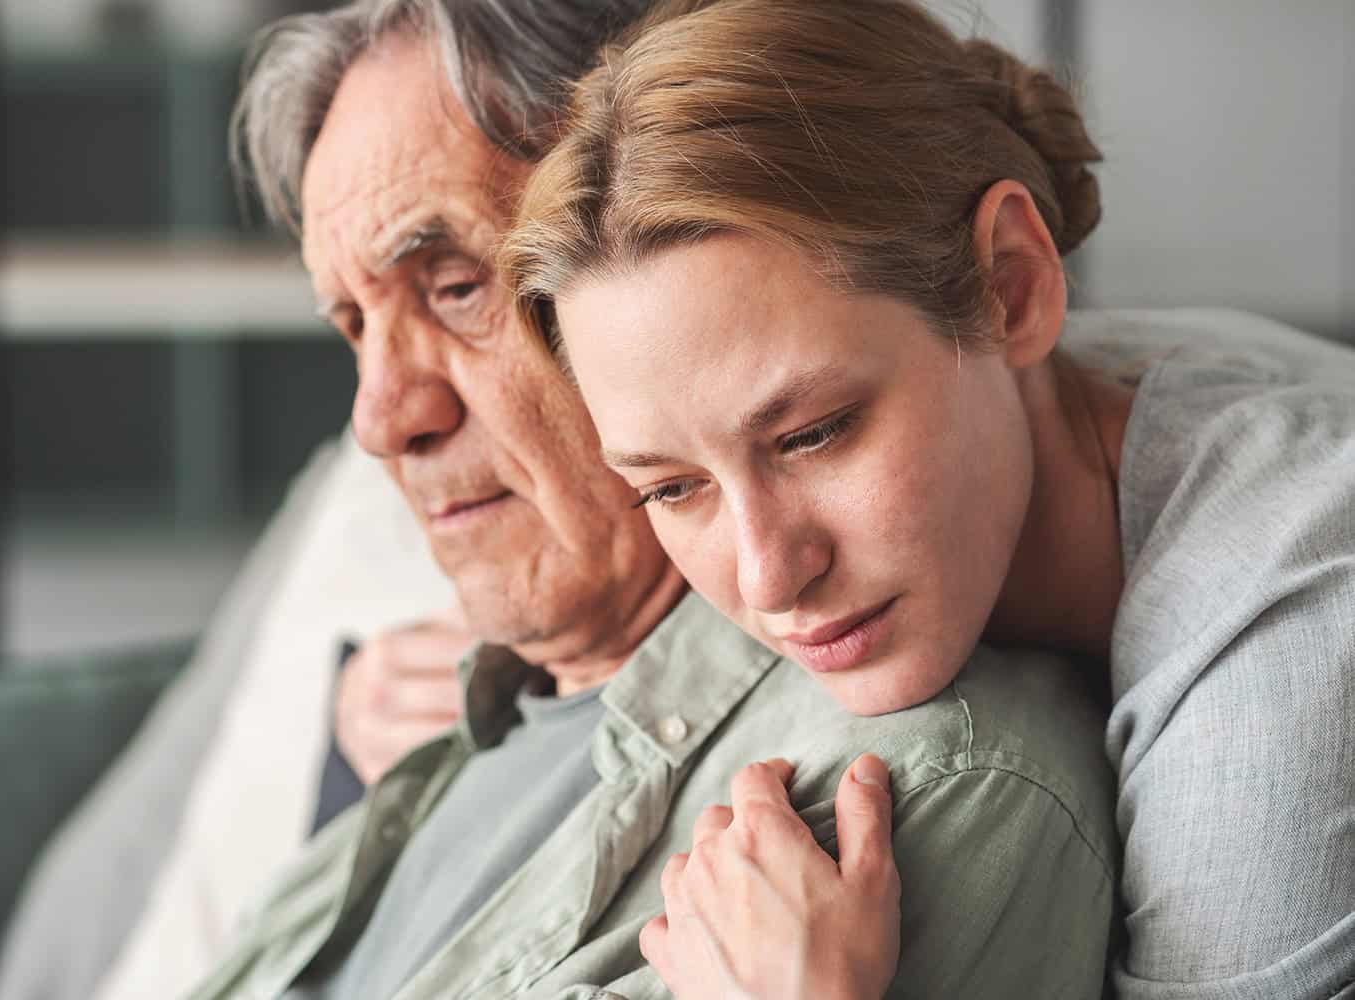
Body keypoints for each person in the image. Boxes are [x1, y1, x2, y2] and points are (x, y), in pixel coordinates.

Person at [181, 0, 1120, 997]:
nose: (379, 417)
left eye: (456, 286)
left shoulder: (884, 803)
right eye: (353, 325)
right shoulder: (444, 709)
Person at [500, 0, 1355, 997]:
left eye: (813, 433)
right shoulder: (1054, 389)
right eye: (674, 487)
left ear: (1015, 285)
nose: (771, 573)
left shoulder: (1279, 653)